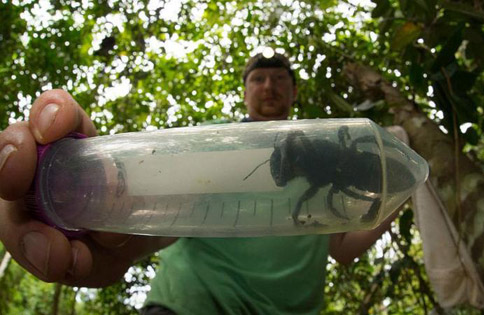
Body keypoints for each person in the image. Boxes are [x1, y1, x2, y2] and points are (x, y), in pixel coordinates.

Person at [0, 52, 395, 314]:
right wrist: (109, 227)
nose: (269, 86)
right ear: (245, 91)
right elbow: (159, 219)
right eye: (258, 79)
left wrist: (397, 193)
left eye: (279, 79)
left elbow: (342, 247)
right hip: (192, 304)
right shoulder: (213, 140)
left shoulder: (330, 144)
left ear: (294, 91)